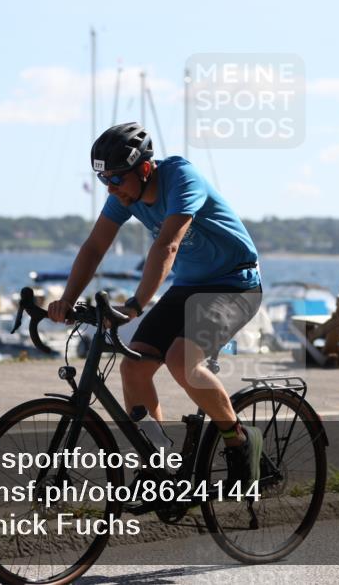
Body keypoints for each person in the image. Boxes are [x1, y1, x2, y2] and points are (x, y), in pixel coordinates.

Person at [47, 122, 263, 488]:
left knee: (181, 361)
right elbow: (95, 246)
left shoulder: (182, 178)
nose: (111, 189)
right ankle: (158, 464)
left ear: (144, 168)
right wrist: (67, 300)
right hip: (189, 286)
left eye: (117, 179)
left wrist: (135, 304)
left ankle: (239, 440)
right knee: (133, 369)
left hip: (234, 284)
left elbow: (167, 246)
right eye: (105, 182)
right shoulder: (123, 195)